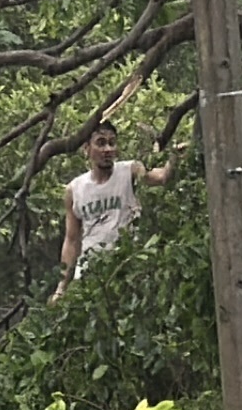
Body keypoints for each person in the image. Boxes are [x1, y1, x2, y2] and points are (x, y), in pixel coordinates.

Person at [57, 122, 171, 298]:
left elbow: (160, 177)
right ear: (86, 148)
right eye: (101, 143)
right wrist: (62, 287)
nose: (108, 149)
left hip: (127, 268)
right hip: (91, 273)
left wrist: (175, 158)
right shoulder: (75, 189)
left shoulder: (130, 171)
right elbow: (71, 240)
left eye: (112, 143)